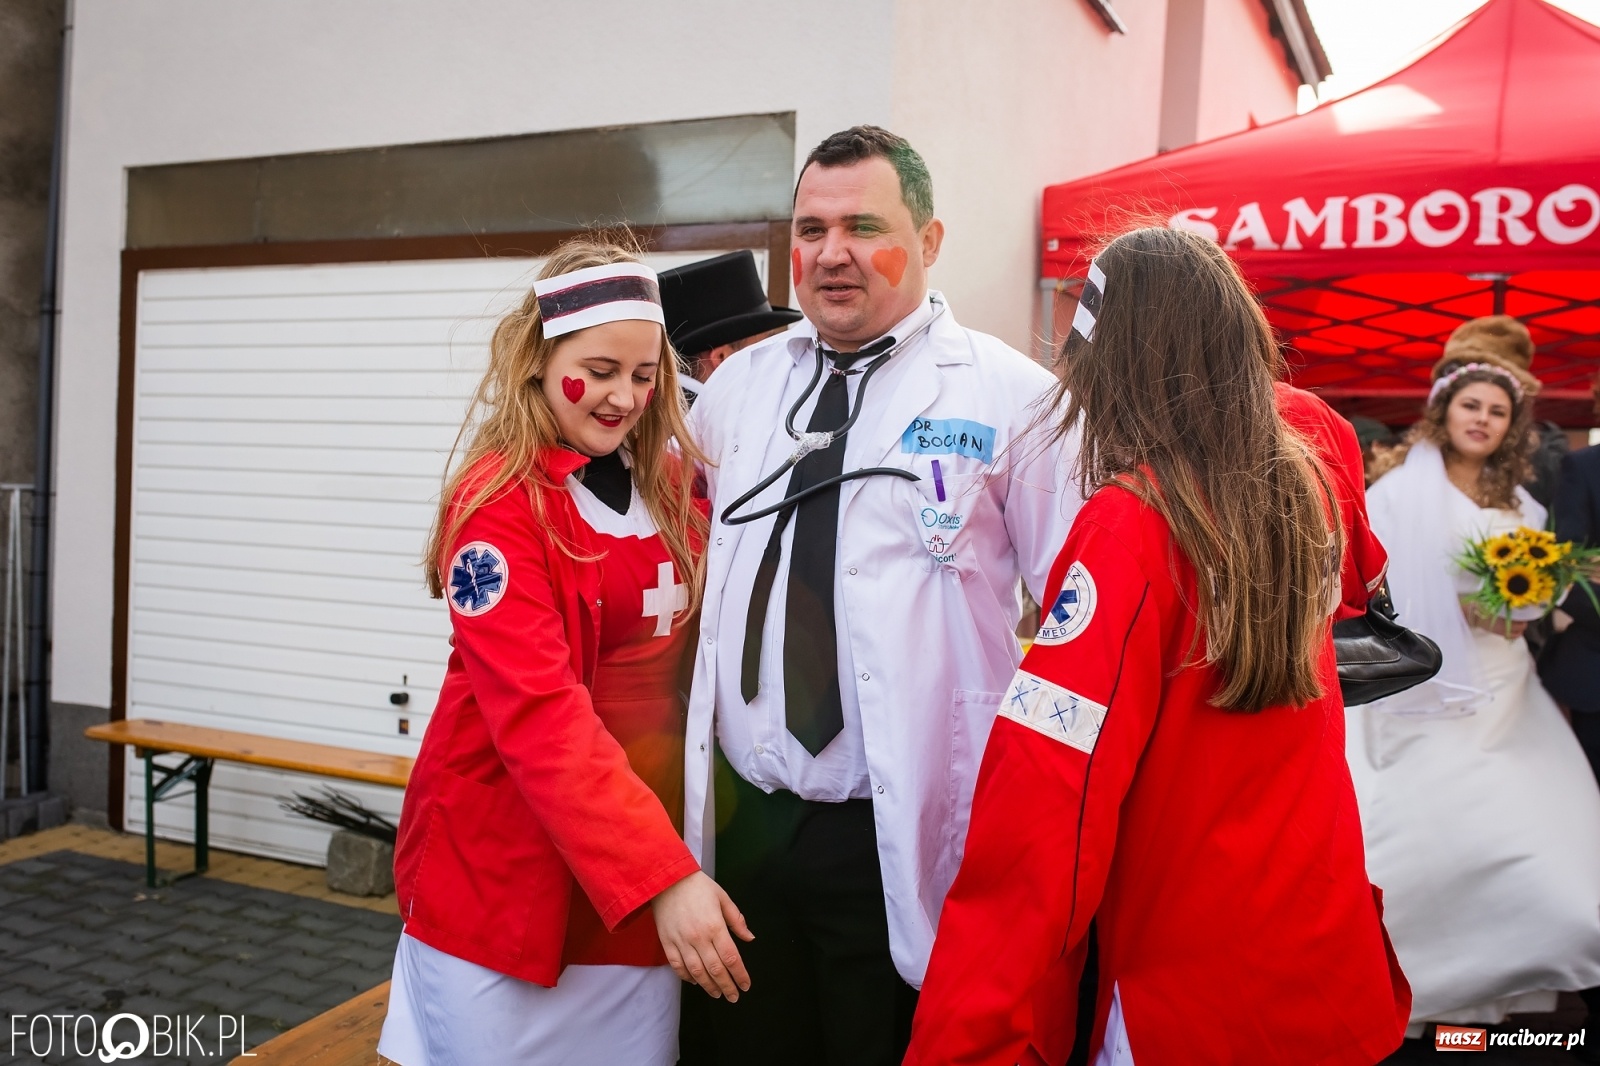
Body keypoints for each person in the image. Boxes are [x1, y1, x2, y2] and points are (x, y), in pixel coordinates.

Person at [906, 226, 1411, 1066]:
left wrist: (967, 1034)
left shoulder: (1132, 526)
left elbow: (1045, 805)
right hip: (1320, 954)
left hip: (1187, 985)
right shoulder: (1312, 475)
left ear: (1119, 366)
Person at [681, 125, 1078, 1064]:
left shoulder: (1012, 399)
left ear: (930, 241)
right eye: (810, 229)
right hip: (744, 826)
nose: (832, 253)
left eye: (865, 226)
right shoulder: (738, 389)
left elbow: (1073, 613)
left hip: (894, 828)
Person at [377, 239, 753, 1066]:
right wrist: (660, 874)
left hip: (636, 875)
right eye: (601, 368)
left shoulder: (672, 482)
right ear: (541, 362)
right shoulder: (499, 507)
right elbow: (540, 718)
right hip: (515, 880)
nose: (625, 395)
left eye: (645, 374)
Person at [1351, 358, 1600, 1034]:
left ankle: (1504, 996)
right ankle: (1417, 984)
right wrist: (1441, 617)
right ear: (1444, 412)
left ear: (1510, 427)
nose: (1482, 419)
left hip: (1506, 681)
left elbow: (1540, 594)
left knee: (1531, 833)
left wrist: (1519, 609)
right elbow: (1370, 585)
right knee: (1432, 831)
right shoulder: (1398, 493)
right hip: (1420, 687)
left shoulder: (1522, 505)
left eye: (1497, 411)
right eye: (1472, 407)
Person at [658, 250, 801, 398]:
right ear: (722, 358)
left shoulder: (665, 409)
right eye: (764, 349)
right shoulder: (705, 419)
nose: (776, 360)